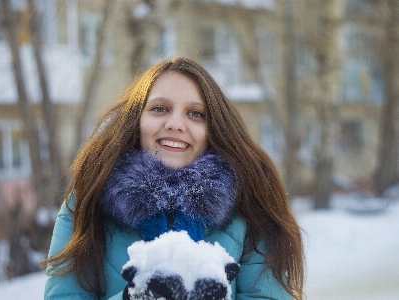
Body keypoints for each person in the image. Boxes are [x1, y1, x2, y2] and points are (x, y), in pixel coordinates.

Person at [42, 57, 304, 300]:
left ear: (214, 129)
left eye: (195, 114)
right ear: (137, 120)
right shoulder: (88, 197)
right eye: (159, 109)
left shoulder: (250, 201)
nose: (175, 124)